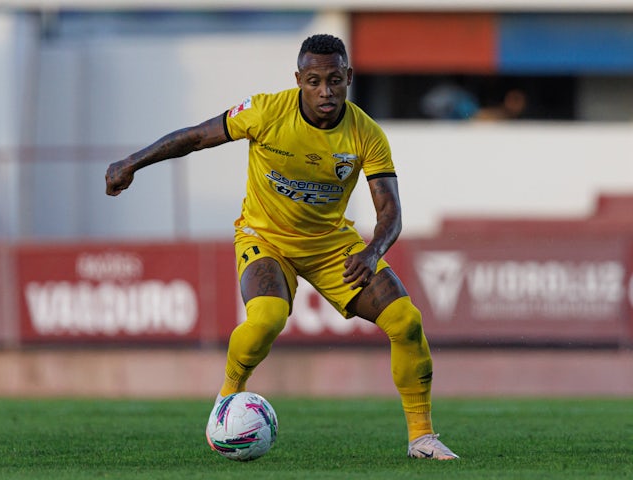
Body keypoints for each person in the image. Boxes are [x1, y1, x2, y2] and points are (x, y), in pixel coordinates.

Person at [105, 34, 458, 460]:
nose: (325, 91)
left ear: (348, 76)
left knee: (406, 319)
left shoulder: (367, 134)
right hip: (264, 237)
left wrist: (372, 252)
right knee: (268, 317)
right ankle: (227, 401)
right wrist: (132, 163)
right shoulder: (266, 111)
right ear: (298, 80)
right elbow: (197, 137)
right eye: (313, 81)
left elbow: (390, 212)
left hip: (331, 245)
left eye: (333, 80)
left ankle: (422, 438)